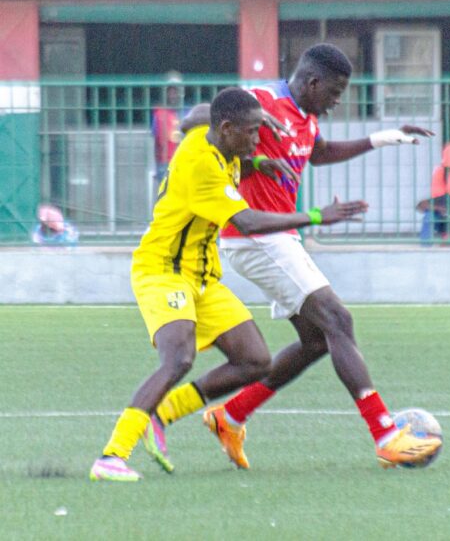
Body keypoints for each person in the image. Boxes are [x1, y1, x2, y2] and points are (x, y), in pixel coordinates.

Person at [144, 43, 441, 472]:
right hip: (256, 239)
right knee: (338, 319)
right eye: (334, 93)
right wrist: (256, 134)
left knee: (318, 340)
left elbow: (318, 153)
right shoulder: (265, 101)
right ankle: (385, 434)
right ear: (313, 82)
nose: (336, 102)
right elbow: (198, 117)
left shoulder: (306, 116)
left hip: (279, 240)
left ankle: (230, 416)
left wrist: (381, 138)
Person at [89, 87, 369, 481]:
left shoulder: (216, 140)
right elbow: (248, 222)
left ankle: (162, 414)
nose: (258, 139)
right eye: (252, 132)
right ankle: (112, 455)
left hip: (202, 277)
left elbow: (195, 116)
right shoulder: (201, 164)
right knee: (179, 358)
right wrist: (317, 216)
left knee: (255, 361)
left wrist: (258, 161)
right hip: (163, 271)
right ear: (226, 129)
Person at [151, 71, 187, 192]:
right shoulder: (159, 114)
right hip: (165, 164)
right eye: (170, 91)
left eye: (175, 91)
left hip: (186, 162)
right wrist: (155, 167)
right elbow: (154, 142)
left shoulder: (189, 113)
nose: (173, 95)